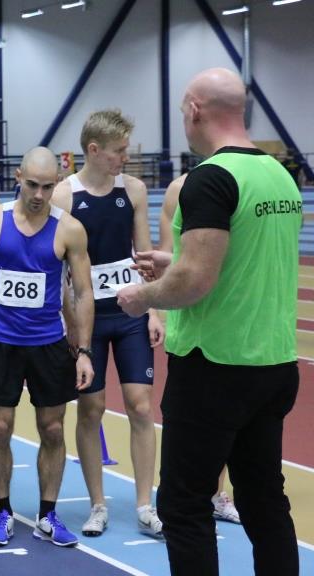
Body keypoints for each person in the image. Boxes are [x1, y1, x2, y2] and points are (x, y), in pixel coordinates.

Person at [119, 68, 301, 575]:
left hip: (214, 365)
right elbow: (243, 254)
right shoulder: (278, 174)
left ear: (194, 109)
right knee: (264, 497)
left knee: (183, 504)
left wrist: (144, 296)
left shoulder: (210, 178)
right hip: (273, 362)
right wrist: (171, 260)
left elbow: (195, 281)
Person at [0, 147, 95, 548]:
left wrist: (85, 350)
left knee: (52, 428)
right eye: (32, 184)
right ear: (18, 177)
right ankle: (3, 512)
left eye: (48, 186)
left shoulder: (70, 229)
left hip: (49, 344)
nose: (39, 194)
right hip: (1, 342)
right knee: (0, 427)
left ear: (58, 183)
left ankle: (48, 514)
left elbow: (84, 292)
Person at [50, 109, 163, 538]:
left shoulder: (132, 189)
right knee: (92, 409)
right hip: (87, 320)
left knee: (139, 405)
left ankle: (144, 504)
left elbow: (145, 255)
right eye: (118, 152)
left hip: (131, 313)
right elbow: (58, 267)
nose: (125, 158)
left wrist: (154, 309)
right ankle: (97, 504)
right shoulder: (65, 195)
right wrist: (70, 325)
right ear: (94, 151)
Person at [159, 174, 242, 527]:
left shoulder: (239, 187)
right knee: (192, 432)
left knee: (229, 425)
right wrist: (156, 308)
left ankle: (216, 494)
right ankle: (183, 496)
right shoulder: (179, 191)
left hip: (231, 328)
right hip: (190, 333)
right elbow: (170, 256)